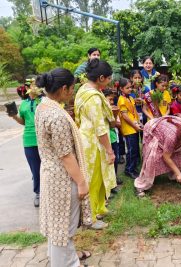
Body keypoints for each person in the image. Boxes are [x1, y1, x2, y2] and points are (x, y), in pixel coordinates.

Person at [34, 68, 92, 267]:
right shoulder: (56, 116)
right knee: (64, 229)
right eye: (72, 89)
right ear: (64, 88)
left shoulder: (43, 106)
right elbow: (66, 155)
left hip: (52, 174)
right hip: (63, 179)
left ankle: (64, 259)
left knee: (57, 225)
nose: (73, 93)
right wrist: (82, 182)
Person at [74, 59, 117, 230]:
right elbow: (100, 128)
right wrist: (109, 150)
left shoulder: (83, 90)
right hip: (93, 143)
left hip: (86, 138)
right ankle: (90, 217)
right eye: (108, 78)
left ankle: (99, 207)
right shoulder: (94, 98)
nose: (109, 81)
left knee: (99, 179)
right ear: (100, 78)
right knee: (92, 180)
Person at [134, 116, 181, 196]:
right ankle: (141, 186)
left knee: (176, 155)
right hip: (153, 130)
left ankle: (174, 177)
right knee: (154, 160)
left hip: (166, 130)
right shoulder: (172, 138)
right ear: (180, 140)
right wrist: (179, 173)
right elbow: (166, 157)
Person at [8, 81, 42, 207]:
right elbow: (24, 121)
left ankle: (49, 191)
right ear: (27, 88)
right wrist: (14, 116)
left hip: (44, 139)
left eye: (37, 85)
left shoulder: (44, 101)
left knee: (47, 167)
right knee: (35, 168)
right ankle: (38, 193)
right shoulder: (24, 104)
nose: (35, 87)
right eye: (32, 85)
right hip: (29, 140)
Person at [117, 78, 142, 179]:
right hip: (129, 129)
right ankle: (129, 170)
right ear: (121, 89)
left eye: (130, 87)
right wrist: (135, 125)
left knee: (135, 149)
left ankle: (133, 168)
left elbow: (134, 112)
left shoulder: (130, 98)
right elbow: (125, 116)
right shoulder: (121, 99)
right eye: (127, 88)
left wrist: (139, 123)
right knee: (131, 150)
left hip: (135, 127)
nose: (130, 89)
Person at [103, 89, 123, 188]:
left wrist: (114, 116)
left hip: (114, 138)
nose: (111, 102)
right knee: (107, 162)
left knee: (115, 160)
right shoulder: (101, 111)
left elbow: (117, 124)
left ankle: (114, 180)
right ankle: (108, 185)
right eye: (109, 99)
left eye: (112, 100)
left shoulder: (113, 110)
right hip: (106, 140)